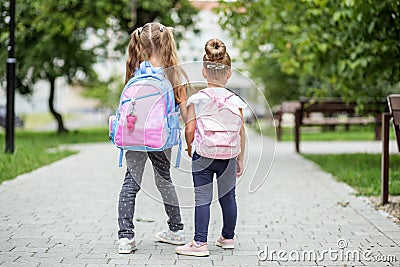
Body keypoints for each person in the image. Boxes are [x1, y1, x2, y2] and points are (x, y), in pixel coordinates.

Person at [117, 22, 189, 254]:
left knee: (131, 182)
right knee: (164, 180)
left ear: (141, 44)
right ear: (167, 41)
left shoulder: (134, 70)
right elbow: (185, 111)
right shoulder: (174, 73)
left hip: (134, 135)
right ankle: (176, 230)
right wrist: (190, 136)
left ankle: (125, 237)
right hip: (161, 137)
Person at [176, 39, 246, 257]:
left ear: (204, 73)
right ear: (229, 73)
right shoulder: (236, 101)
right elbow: (241, 131)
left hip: (203, 155)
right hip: (229, 156)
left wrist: (190, 148)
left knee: (202, 199)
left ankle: (199, 243)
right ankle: (228, 237)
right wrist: (240, 159)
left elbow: (190, 129)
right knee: (228, 197)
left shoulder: (198, 99)